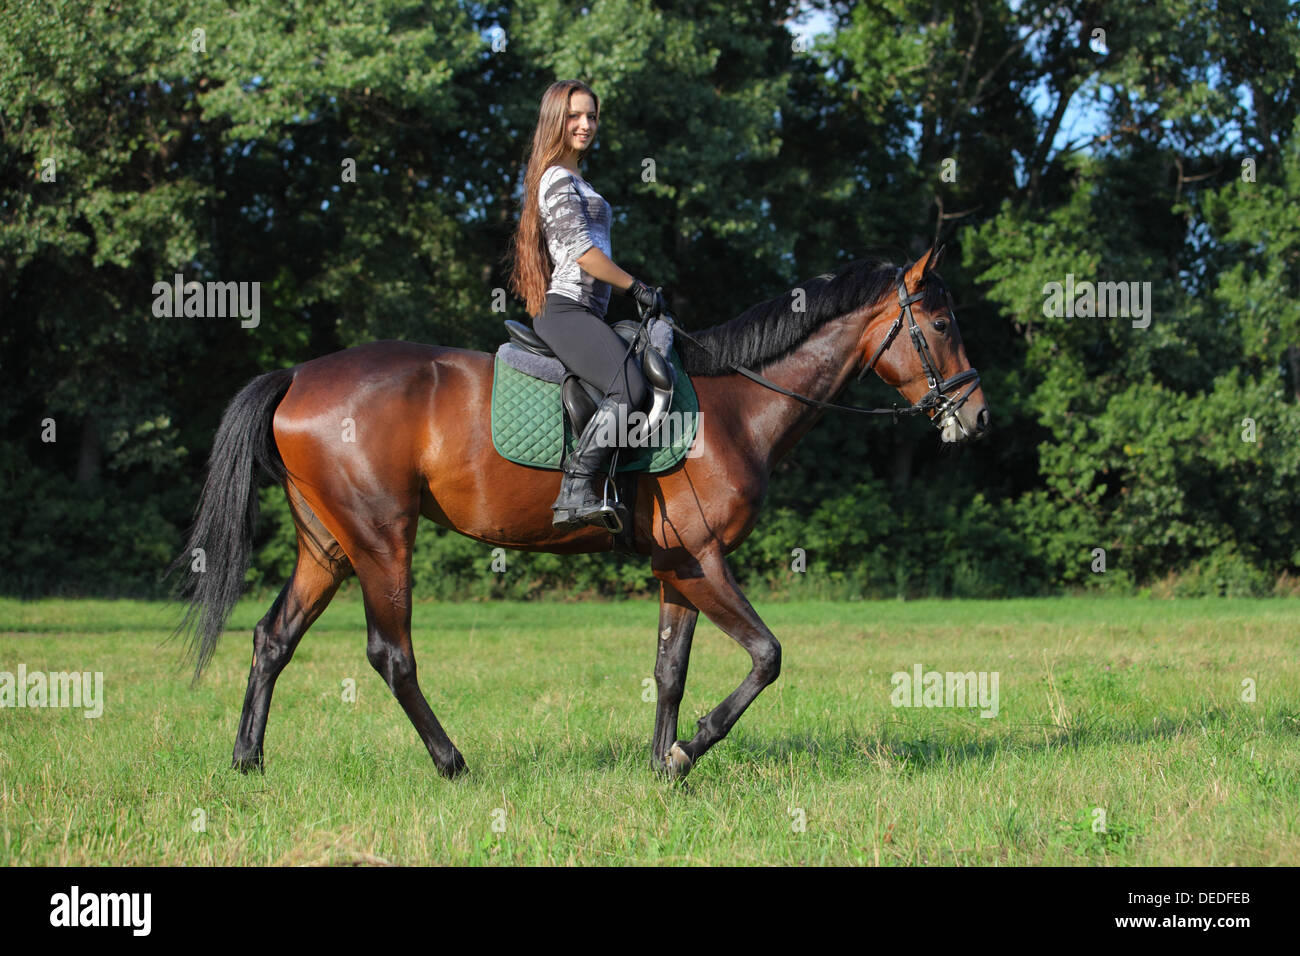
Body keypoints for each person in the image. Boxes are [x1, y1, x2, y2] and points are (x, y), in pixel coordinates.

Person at [507, 79, 668, 531]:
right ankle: (575, 490)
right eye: (574, 116)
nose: (585, 124)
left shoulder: (575, 179)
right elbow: (582, 252)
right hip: (566, 311)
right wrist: (636, 287)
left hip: (586, 312)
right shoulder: (557, 179)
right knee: (629, 388)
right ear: (555, 120)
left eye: (591, 116)